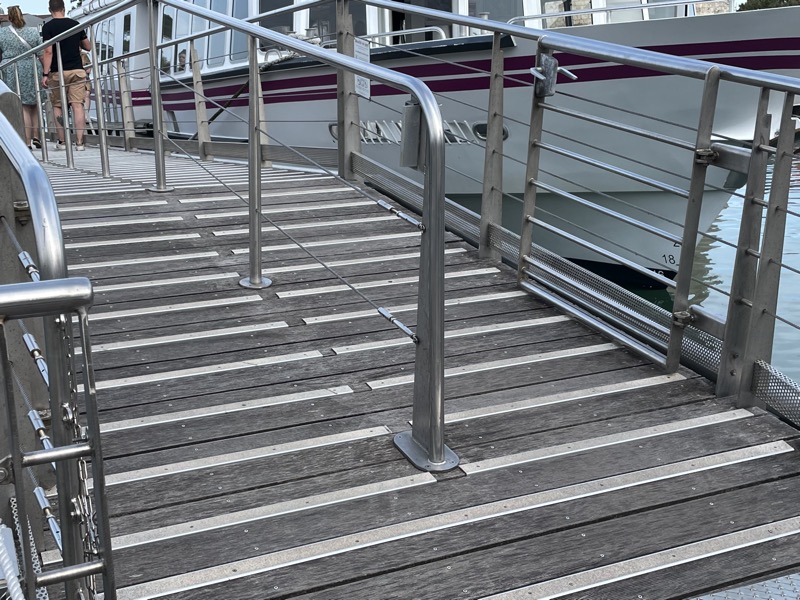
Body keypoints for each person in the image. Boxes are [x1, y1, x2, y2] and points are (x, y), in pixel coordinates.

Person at [41, 0, 91, 151]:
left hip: (57, 72)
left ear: (50, 10)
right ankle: (80, 143)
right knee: (77, 105)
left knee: (58, 105)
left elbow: (48, 51)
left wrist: (45, 73)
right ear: (64, 8)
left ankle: (62, 142)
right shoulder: (75, 24)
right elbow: (87, 46)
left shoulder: (48, 27)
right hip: (76, 70)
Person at [0, 6, 44, 149]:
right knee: (35, 104)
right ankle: (36, 136)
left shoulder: (2, 33)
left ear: (9, 18)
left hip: (12, 69)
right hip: (32, 66)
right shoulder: (33, 32)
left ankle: (27, 140)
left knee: (23, 104)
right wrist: (46, 73)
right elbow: (42, 53)